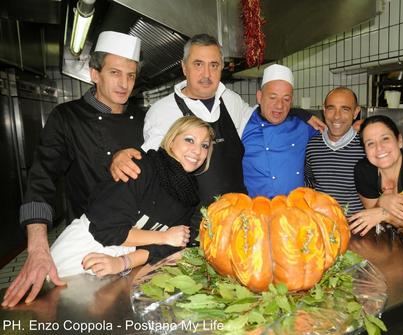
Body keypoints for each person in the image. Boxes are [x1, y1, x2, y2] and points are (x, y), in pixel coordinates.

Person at [110, 34, 324, 240]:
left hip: (241, 225)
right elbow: (150, 170)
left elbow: (266, 114)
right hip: (194, 231)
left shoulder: (231, 101)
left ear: (221, 68)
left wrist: (299, 113)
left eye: (213, 65)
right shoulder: (162, 111)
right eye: (198, 64)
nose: (206, 74)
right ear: (184, 67)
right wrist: (122, 157)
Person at [3, 31, 144, 307]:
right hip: (88, 245)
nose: (124, 84)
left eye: (131, 75)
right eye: (115, 72)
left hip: (138, 244)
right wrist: (37, 247)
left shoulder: (143, 118)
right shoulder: (67, 118)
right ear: (94, 73)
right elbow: (41, 180)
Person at [50, 116, 214, 277]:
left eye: (205, 145)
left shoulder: (190, 196)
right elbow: (107, 229)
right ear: (171, 141)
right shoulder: (139, 168)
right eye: (189, 140)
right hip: (83, 249)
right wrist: (163, 236)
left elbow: (170, 245)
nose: (198, 150)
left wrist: (123, 262)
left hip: (126, 262)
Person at [305, 87, 403, 216]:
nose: (337, 116)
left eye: (345, 109)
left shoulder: (366, 143)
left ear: (356, 112)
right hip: (322, 224)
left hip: (360, 225)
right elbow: (309, 181)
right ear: (324, 110)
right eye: (331, 108)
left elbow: (399, 153)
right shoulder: (312, 145)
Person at [242, 64, 318, 198]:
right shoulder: (242, 125)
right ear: (259, 97)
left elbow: (334, 138)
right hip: (254, 214)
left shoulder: (303, 126)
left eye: (286, 99)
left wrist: (359, 128)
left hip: (293, 212)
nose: (279, 106)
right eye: (272, 97)